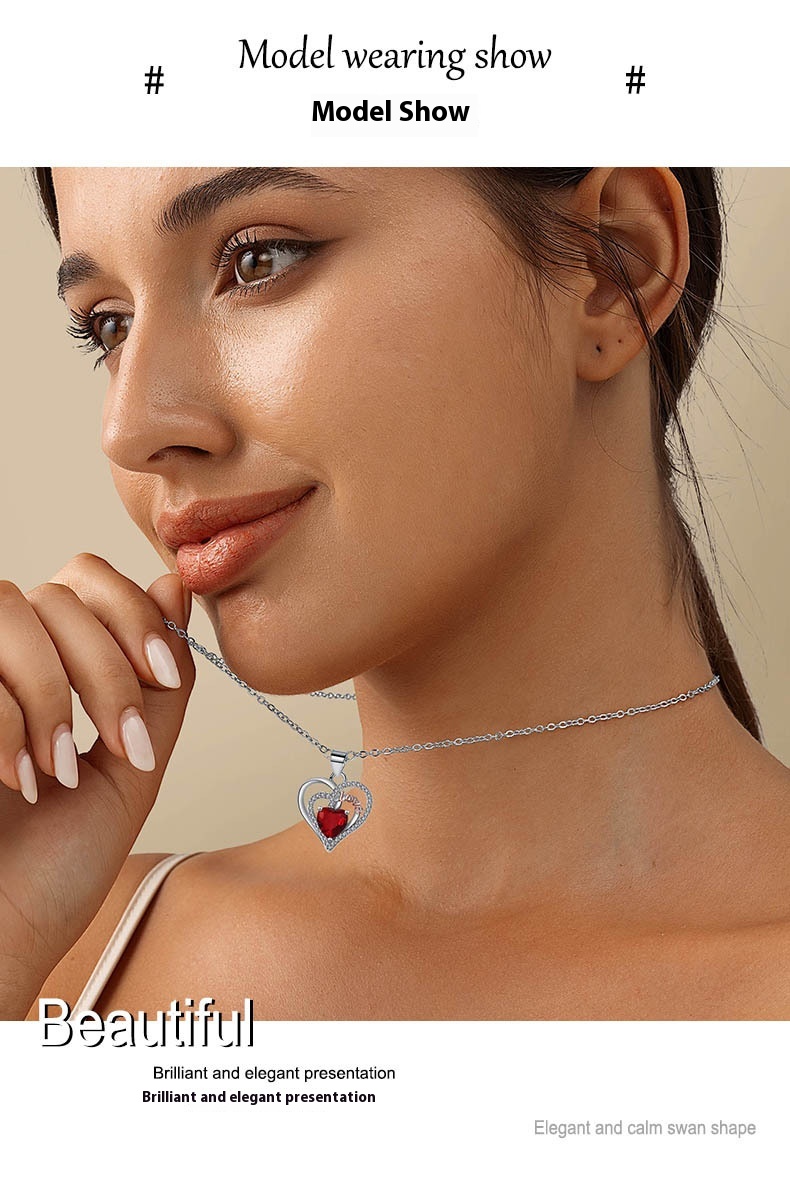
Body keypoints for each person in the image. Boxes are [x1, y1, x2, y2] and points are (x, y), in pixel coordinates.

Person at [2, 166, 788, 1022]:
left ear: (609, 264)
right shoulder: (66, 959)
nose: (131, 428)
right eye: (109, 325)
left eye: (259, 259)